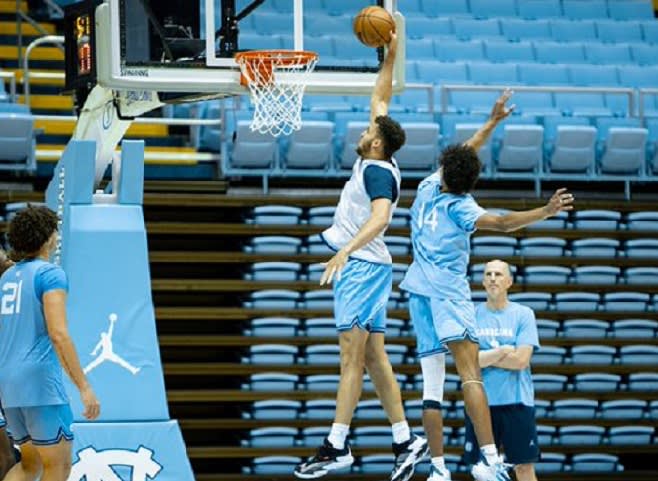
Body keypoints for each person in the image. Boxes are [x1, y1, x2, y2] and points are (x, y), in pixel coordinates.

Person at [399, 89, 574, 481]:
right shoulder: (463, 207)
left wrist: (491, 122)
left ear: (444, 168)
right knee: (470, 375)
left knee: (432, 385)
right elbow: (505, 223)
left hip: (417, 292)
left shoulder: (427, 187)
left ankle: (439, 469)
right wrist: (545, 211)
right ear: (471, 182)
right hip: (447, 293)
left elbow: (464, 149)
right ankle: (493, 459)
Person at [294, 32, 428, 481]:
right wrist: (390, 54)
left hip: (362, 268)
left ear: (376, 145)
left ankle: (336, 444)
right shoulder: (381, 154)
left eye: (369, 131)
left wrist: (345, 252)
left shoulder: (375, 173)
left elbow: (381, 217)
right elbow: (380, 95)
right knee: (374, 359)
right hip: (371, 269)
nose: (365, 129)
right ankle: (405, 439)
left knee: (351, 360)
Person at [0, 205, 101, 481]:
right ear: (47, 238)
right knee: (58, 467)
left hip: (8, 385)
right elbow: (59, 334)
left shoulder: (6, 278)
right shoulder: (49, 274)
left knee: (30, 465)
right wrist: (84, 386)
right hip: (38, 383)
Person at [461, 259, 540, 481]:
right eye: (488, 274)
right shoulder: (471, 315)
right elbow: (466, 362)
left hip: (517, 402)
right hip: (480, 405)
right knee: (483, 470)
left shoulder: (524, 314)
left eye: (498, 274)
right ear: (483, 282)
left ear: (509, 281)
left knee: (523, 468)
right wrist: (502, 352)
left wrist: (484, 358)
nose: (493, 278)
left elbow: (521, 361)